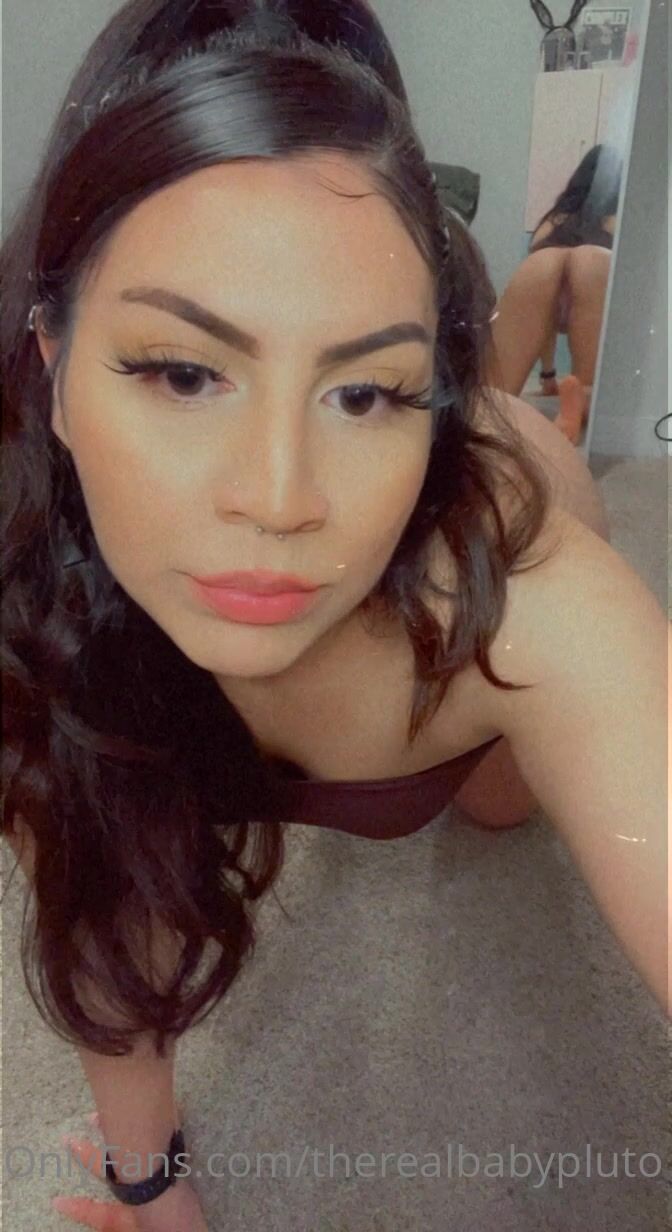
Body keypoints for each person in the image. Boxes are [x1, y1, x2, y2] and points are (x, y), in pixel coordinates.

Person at [1, 3, 668, 1229]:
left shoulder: (528, 588)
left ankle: (524, 423)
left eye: (366, 390)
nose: (280, 498)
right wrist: (152, 1184)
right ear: (52, 369)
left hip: (473, 628)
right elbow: (100, 905)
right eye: (184, 371)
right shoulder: (28, 592)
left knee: (500, 811)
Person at [484, 144, 622, 444]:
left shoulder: (553, 220)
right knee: (590, 262)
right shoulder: (619, 219)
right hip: (595, 278)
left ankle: (491, 409)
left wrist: (547, 375)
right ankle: (582, 398)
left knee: (545, 265)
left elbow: (540, 320)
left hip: (541, 276)